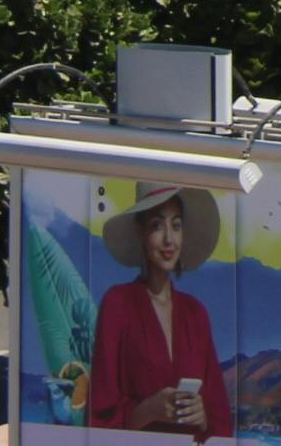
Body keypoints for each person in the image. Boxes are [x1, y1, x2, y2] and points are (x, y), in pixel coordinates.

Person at [82, 186, 234, 439]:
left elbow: (219, 419)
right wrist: (147, 411)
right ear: (140, 232)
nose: (168, 240)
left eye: (176, 226)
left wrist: (203, 417)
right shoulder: (118, 304)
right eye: (157, 226)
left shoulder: (195, 314)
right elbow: (100, 413)